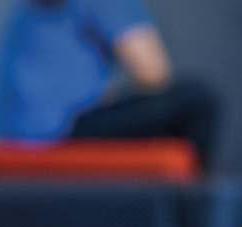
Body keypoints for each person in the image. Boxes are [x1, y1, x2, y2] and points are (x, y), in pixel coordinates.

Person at [0, 0, 218, 171]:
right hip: (63, 133)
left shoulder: (23, 8)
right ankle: (194, 217)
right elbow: (153, 73)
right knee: (196, 100)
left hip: (14, 134)